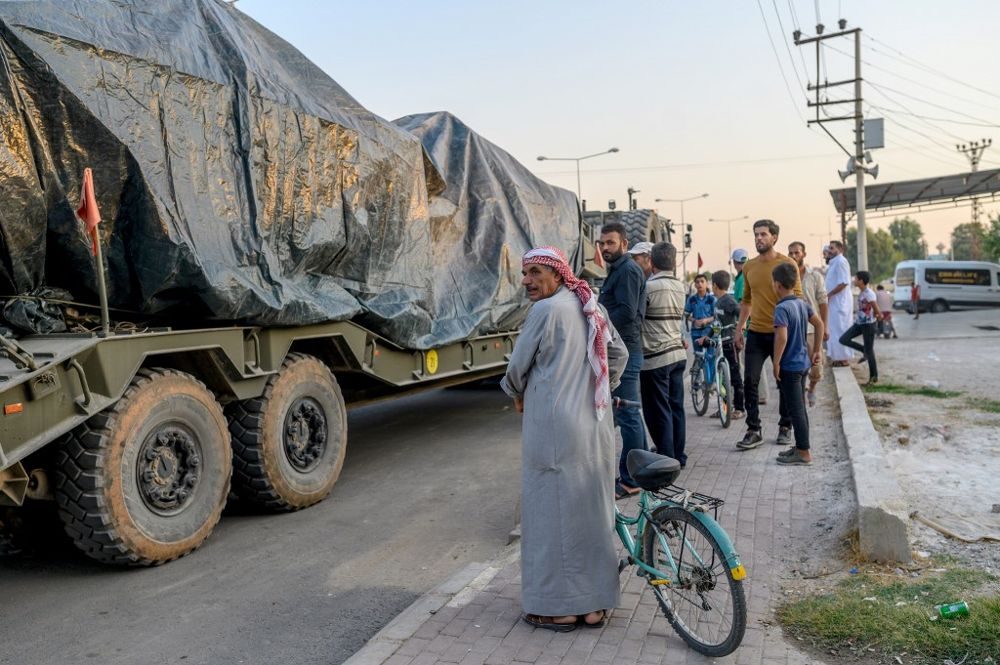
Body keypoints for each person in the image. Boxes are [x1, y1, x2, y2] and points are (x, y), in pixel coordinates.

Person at [501, 246, 628, 632]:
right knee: (593, 514)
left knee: (550, 519)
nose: (526, 281)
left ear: (557, 275)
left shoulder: (546, 311)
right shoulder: (591, 304)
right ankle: (595, 607)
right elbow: (618, 354)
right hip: (595, 428)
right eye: (524, 273)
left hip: (553, 431)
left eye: (535, 272)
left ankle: (558, 609)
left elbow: (516, 369)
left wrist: (516, 392)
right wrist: (599, 388)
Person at [734, 219, 803, 450]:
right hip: (756, 333)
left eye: (763, 234)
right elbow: (746, 301)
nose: (759, 238)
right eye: (756, 235)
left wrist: (798, 334)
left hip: (781, 334)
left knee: (783, 381)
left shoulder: (787, 264)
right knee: (750, 381)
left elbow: (798, 300)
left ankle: (786, 426)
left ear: (774, 237)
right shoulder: (749, 267)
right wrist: (739, 328)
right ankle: (753, 429)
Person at [596, 222, 648, 499]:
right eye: (602, 243)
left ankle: (632, 480)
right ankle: (641, 468)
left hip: (625, 351)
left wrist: (597, 323)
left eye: (611, 243)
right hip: (622, 349)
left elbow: (627, 313)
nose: (605, 248)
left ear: (624, 244)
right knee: (628, 414)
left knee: (628, 415)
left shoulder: (627, 270)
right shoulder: (618, 270)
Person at [638, 242, 688, 465]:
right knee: (676, 406)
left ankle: (667, 458)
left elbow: (637, 319)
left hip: (656, 357)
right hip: (677, 354)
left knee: (659, 410)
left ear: (652, 261)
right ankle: (679, 454)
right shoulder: (680, 286)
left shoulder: (649, 287)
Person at [771, 262, 824, 466]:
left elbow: (781, 337)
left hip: (790, 367)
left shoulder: (782, 308)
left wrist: (776, 362)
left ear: (777, 284)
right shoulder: (802, 304)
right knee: (800, 408)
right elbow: (819, 324)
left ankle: (803, 453)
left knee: (796, 410)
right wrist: (817, 350)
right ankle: (801, 446)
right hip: (803, 364)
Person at [788, 241, 829, 407]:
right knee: (795, 365)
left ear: (803, 254)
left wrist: (825, 326)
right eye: (790, 253)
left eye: (796, 253)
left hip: (812, 328)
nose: (793, 256)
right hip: (793, 328)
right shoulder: (787, 277)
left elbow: (823, 302)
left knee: (816, 366)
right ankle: (799, 395)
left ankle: (811, 387)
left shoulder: (815, 276)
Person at [734, 247, 769, 405]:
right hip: (754, 324)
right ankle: (761, 394)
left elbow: (744, 303)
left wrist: (740, 326)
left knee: (749, 365)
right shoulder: (746, 275)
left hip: (748, 327)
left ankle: (759, 395)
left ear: (734, 263)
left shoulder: (742, 278)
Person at [711, 270, 744, 420]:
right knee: (723, 379)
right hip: (720, 344)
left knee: (735, 377)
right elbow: (717, 324)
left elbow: (740, 312)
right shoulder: (717, 302)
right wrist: (708, 336)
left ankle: (739, 408)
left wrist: (739, 328)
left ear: (714, 285)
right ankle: (725, 408)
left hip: (730, 344)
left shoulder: (729, 301)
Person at [839, 270, 880, 384]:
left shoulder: (869, 293)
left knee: (870, 351)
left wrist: (877, 321)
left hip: (868, 325)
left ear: (861, 281)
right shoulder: (861, 293)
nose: (854, 280)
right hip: (859, 324)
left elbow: (877, 310)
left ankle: (874, 377)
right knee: (843, 339)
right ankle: (864, 351)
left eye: (856, 279)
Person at [685, 273, 717, 389]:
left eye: (702, 281)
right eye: (697, 282)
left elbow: (716, 316)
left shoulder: (711, 299)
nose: (699, 284)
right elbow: (686, 314)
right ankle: (697, 380)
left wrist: (706, 320)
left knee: (710, 355)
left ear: (706, 283)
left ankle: (711, 381)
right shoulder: (692, 299)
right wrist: (694, 320)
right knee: (698, 356)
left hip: (709, 332)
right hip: (696, 332)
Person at [825, 240, 853, 366]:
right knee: (834, 329)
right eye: (829, 248)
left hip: (840, 302)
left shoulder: (841, 262)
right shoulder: (834, 263)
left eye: (832, 248)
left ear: (840, 249)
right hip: (834, 302)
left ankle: (843, 358)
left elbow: (844, 282)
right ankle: (837, 357)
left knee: (841, 328)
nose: (829, 251)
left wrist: (829, 295)